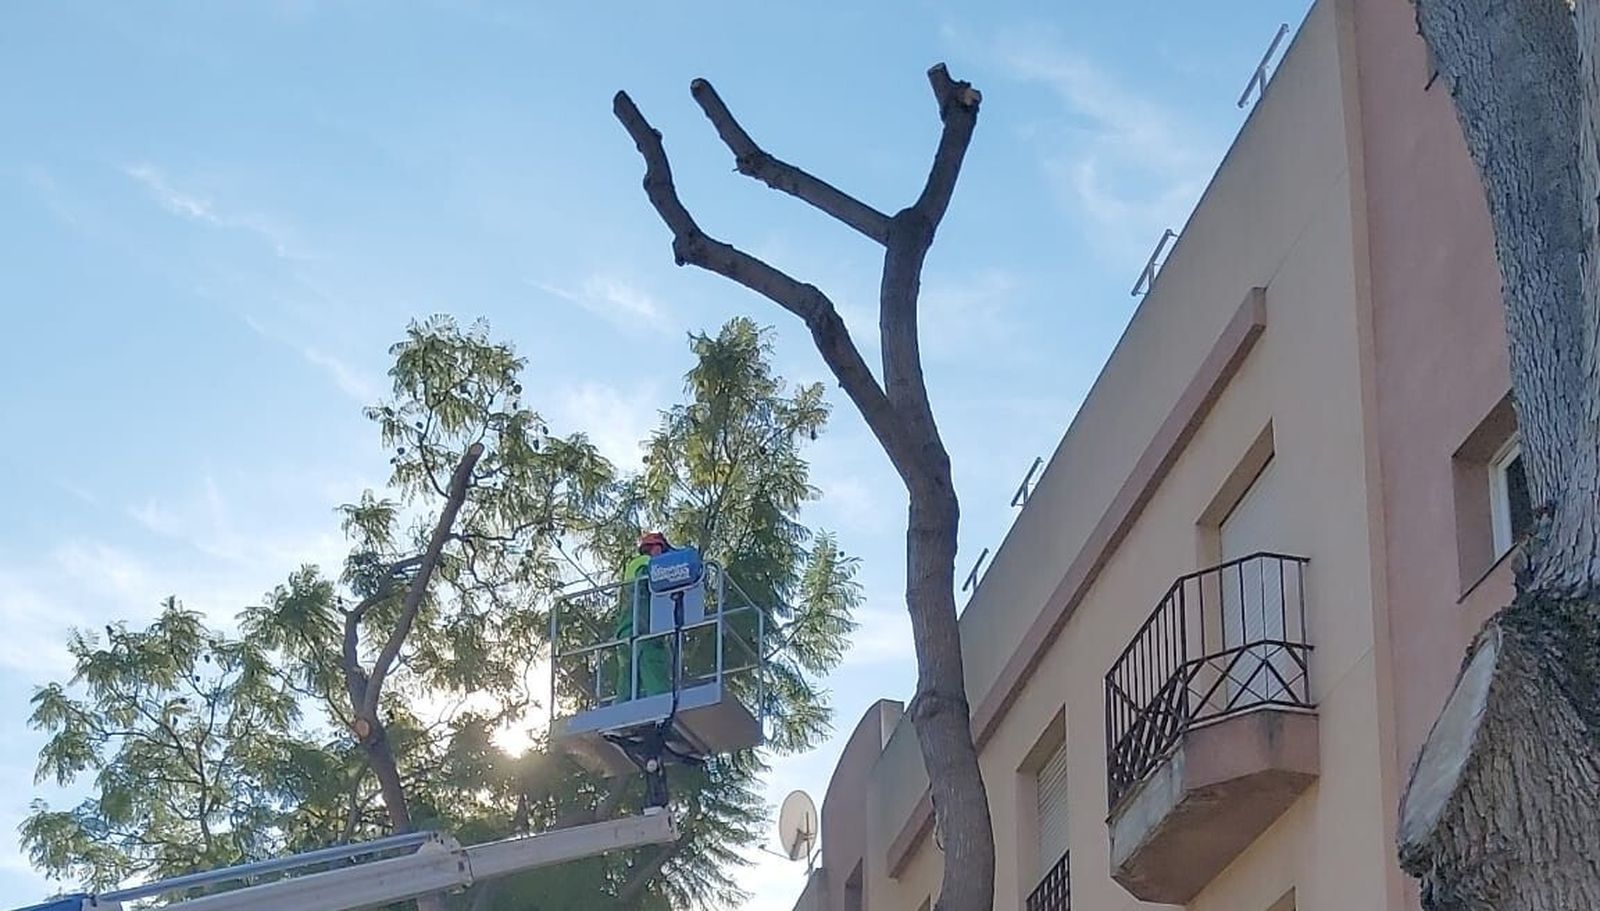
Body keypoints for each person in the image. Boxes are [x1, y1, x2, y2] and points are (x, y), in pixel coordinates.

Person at [614, 531, 673, 701]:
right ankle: (663, 710)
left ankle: (619, 718)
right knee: (654, 671)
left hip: (627, 629)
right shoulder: (648, 564)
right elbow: (649, 584)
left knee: (627, 678)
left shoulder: (634, 565)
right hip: (644, 629)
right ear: (656, 548)